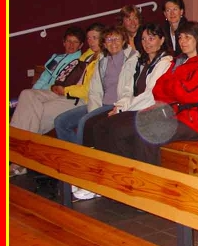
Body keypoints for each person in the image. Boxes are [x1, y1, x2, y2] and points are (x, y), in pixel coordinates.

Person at [94, 22, 198, 165]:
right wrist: (174, 87)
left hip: (193, 123)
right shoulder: (180, 61)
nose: (182, 41)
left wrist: (170, 86)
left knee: (145, 135)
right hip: (172, 114)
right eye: (180, 37)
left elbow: (186, 95)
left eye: (187, 37)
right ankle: (123, 170)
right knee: (115, 128)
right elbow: (157, 89)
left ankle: (147, 175)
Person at [9, 23, 103, 178]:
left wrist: (64, 90)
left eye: (95, 38)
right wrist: (57, 87)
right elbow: (57, 76)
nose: (91, 41)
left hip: (77, 98)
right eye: (89, 38)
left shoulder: (102, 59)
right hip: (60, 91)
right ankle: (19, 153)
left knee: (34, 113)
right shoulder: (87, 54)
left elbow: (88, 90)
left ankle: (17, 156)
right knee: (27, 95)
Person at [54, 26, 138, 146]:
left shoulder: (133, 59)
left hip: (117, 106)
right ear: (104, 43)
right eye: (109, 40)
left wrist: (118, 107)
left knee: (85, 122)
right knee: (61, 121)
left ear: (124, 41)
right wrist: (93, 112)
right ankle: (74, 152)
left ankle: (81, 155)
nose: (113, 43)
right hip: (99, 104)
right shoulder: (102, 60)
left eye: (117, 39)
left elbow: (129, 90)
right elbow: (94, 90)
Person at [31, 26, 85, 90]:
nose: (71, 44)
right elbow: (44, 78)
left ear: (80, 45)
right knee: (26, 93)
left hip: (58, 92)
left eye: (75, 42)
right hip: (44, 91)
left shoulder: (80, 63)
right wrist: (34, 90)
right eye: (68, 41)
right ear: (64, 42)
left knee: (26, 93)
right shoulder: (56, 58)